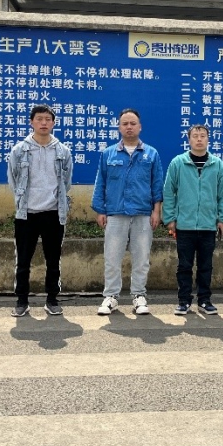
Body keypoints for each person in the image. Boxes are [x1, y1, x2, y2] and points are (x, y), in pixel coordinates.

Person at [92, 109, 164, 315]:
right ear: (119, 127)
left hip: (143, 213)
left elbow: (157, 184)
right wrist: (100, 210)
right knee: (112, 258)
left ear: (140, 127)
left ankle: (139, 296)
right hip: (116, 213)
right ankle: (111, 296)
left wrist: (156, 211)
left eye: (133, 123)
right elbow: (101, 183)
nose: (129, 127)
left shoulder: (151, 154)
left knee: (141, 258)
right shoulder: (108, 154)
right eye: (125, 124)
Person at [7, 104, 73, 317]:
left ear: (53, 123)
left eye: (48, 119)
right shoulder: (19, 150)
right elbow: (13, 179)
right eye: (39, 119)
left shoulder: (63, 151)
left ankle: (52, 299)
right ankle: (22, 301)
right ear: (31, 122)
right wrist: (22, 201)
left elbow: (66, 182)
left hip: (53, 213)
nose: (43, 123)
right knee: (23, 261)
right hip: (27, 214)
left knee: (53, 261)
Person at [163, 124, 223, 316]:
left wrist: (222, 219)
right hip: (184, 225)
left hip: (208, 225)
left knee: (205, 266)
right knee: (184, 266)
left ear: (208, 139)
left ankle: (204, 300)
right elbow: (169, 192)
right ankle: (184, 301)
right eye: (195, 136)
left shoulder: (217, 164)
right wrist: (170, 218)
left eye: (203, 136)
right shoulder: (178, 163)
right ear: (189, 139)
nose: (199, 139)